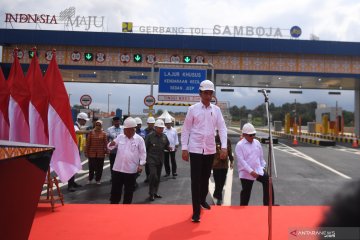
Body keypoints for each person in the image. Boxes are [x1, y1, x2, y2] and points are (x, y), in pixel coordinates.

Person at [181, 79, 228, 223]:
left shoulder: (216, 110)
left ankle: (202, 199)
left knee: (205, 177)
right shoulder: (193, 109)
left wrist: (224, 147)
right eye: (205, 93)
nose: (208, 96)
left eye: (210, 93)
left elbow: (222, 128)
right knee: (196, 180)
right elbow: (186, 129)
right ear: (200, 93)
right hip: (195, 149)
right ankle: (196, 212)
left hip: (209, 149)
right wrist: (184, 148)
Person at [235, 123, 275, 206]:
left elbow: (260, 157)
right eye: (250, 135)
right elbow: (242, 162)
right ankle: (243, 208)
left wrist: (263, 167)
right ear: (244, 135)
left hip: (258, 170)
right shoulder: (239, 145)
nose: (252, 137)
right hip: (246, 172)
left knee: (268, 181)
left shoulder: (257, 142)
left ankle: (268, 204)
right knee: (246, 191)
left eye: (254, 134)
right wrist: (251, 171)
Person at [108, 117, 146, 204]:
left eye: (128, 130)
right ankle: (113, 208)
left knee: (129, 191)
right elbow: (110, 147)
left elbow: (143, 153)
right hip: (117, 169)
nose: (125, 132)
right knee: (115, 191)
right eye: (125, 130)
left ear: (134, 129)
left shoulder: (139, 139)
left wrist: (141, 165)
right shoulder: (120, 137)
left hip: (130, 170)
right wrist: (111, 144)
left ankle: (126, 210)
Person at [145, 119, 170, 201]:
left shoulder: (164, 136)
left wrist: (169, 148)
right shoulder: (149, 136)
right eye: (159, 128)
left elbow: (166, 145)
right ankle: (151, 193)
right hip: (151, 159)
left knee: (158, 177)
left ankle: (155, 192)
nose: (161, 129)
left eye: (162, 128)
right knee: (153, 175)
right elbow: (145, 148)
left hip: (160, 159)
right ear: (155, 127)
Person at [68, 112, 90, 192]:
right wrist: (89, 132)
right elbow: (77, 132)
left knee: (74, 168)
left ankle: (72, 183)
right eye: (84, 120)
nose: (85, 122)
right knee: (71, 168)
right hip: (72, 150)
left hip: (76, 150)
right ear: (80, 119)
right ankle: (70, 185)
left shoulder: (78, 126)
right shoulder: (75, 126)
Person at [212, 130, 234, 205]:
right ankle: (219, 198)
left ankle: (216, 194)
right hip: (216, 165)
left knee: (222, 181)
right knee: (218, 181)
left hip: (224, 165)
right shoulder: (213, 139)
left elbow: (230, 151)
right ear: (217, 132)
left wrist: (231, 161)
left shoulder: (227, 140)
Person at [85, 120, 108, 184]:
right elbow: (88, 143)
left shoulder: (104, 134)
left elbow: (106, 143)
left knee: (100, 167)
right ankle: (90, 179)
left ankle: (98, 179)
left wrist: (107, 151)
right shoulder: (91, 133)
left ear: (101, 126)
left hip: (101, 153)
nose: (98, 126)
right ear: (95, 125)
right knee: (91, 167)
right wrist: (86, 152)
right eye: (97, 125)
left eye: (99, 125)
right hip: (92, 153)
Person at [107, 116, 123, 181]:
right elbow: (107, 140)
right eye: (115, 121)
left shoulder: (123, 128)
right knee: (112, 164)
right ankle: (113, 176)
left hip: (121, 150)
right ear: (113, 122)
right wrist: (108, 149)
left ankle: (120, 177)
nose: (117, 123)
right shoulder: (109, 129)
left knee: (121, 164)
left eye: (118, 121)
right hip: (113, 151)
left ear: (120, 121)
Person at [143, 116, 155, 183]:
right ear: (147, 123)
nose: (151, 125)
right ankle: (148, 177)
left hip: (154, 151)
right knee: (147, 165)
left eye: (152, 123)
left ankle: (153, 177)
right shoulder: (144, 131)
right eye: (150, 123)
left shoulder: (155, 131)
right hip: (147, 151)